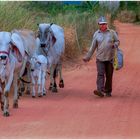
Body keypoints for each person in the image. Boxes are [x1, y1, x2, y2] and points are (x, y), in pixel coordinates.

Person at [83, 16, 120, 97]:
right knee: (100, 74)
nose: (103, 25)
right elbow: (93, 47)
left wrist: (115, 44)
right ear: (98, 25)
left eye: (104, 24)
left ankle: (108, 91)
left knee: (109, 75)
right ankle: (100, 90)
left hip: (110, 58)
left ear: (107, 24)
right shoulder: (96, 34)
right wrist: (87, 57)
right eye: (101, 24)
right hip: (100, 58)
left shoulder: (112, 33)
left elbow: (117, 41)